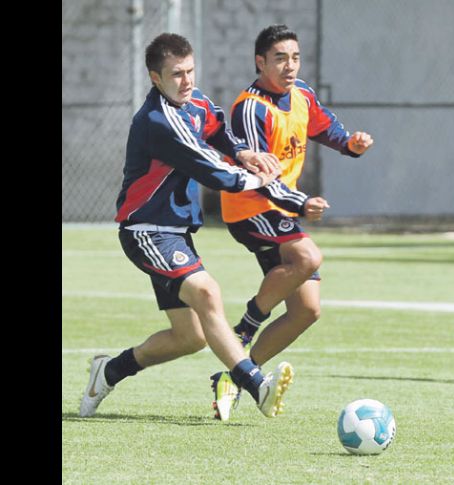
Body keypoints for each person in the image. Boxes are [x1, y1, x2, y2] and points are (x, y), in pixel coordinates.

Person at [79, 33, 310, 419]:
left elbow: (217, 127)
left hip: (175, 232)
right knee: (207, 292)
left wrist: (243, 151)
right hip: (146, 231)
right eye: (176, 74)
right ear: (155, 78)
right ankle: (257, 386)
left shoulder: (195, 100)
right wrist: (258, 178)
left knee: (190, 337)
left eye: (190, 71)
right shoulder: (159, 121)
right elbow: (211, 168)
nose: (186, 81)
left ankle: (109, 371)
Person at [207, 24, 373, 420]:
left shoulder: (302, 95)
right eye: (280, 58)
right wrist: (300, 203)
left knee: (306, 311)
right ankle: (244, 330)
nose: (290, 66)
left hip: (280, 210)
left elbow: (327, 128)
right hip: (249, 207)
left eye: (295, 58)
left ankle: (235, 375)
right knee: (308, 257)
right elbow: (261, 176)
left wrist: (351, 144)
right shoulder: (250, 108)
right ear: (260, 62)